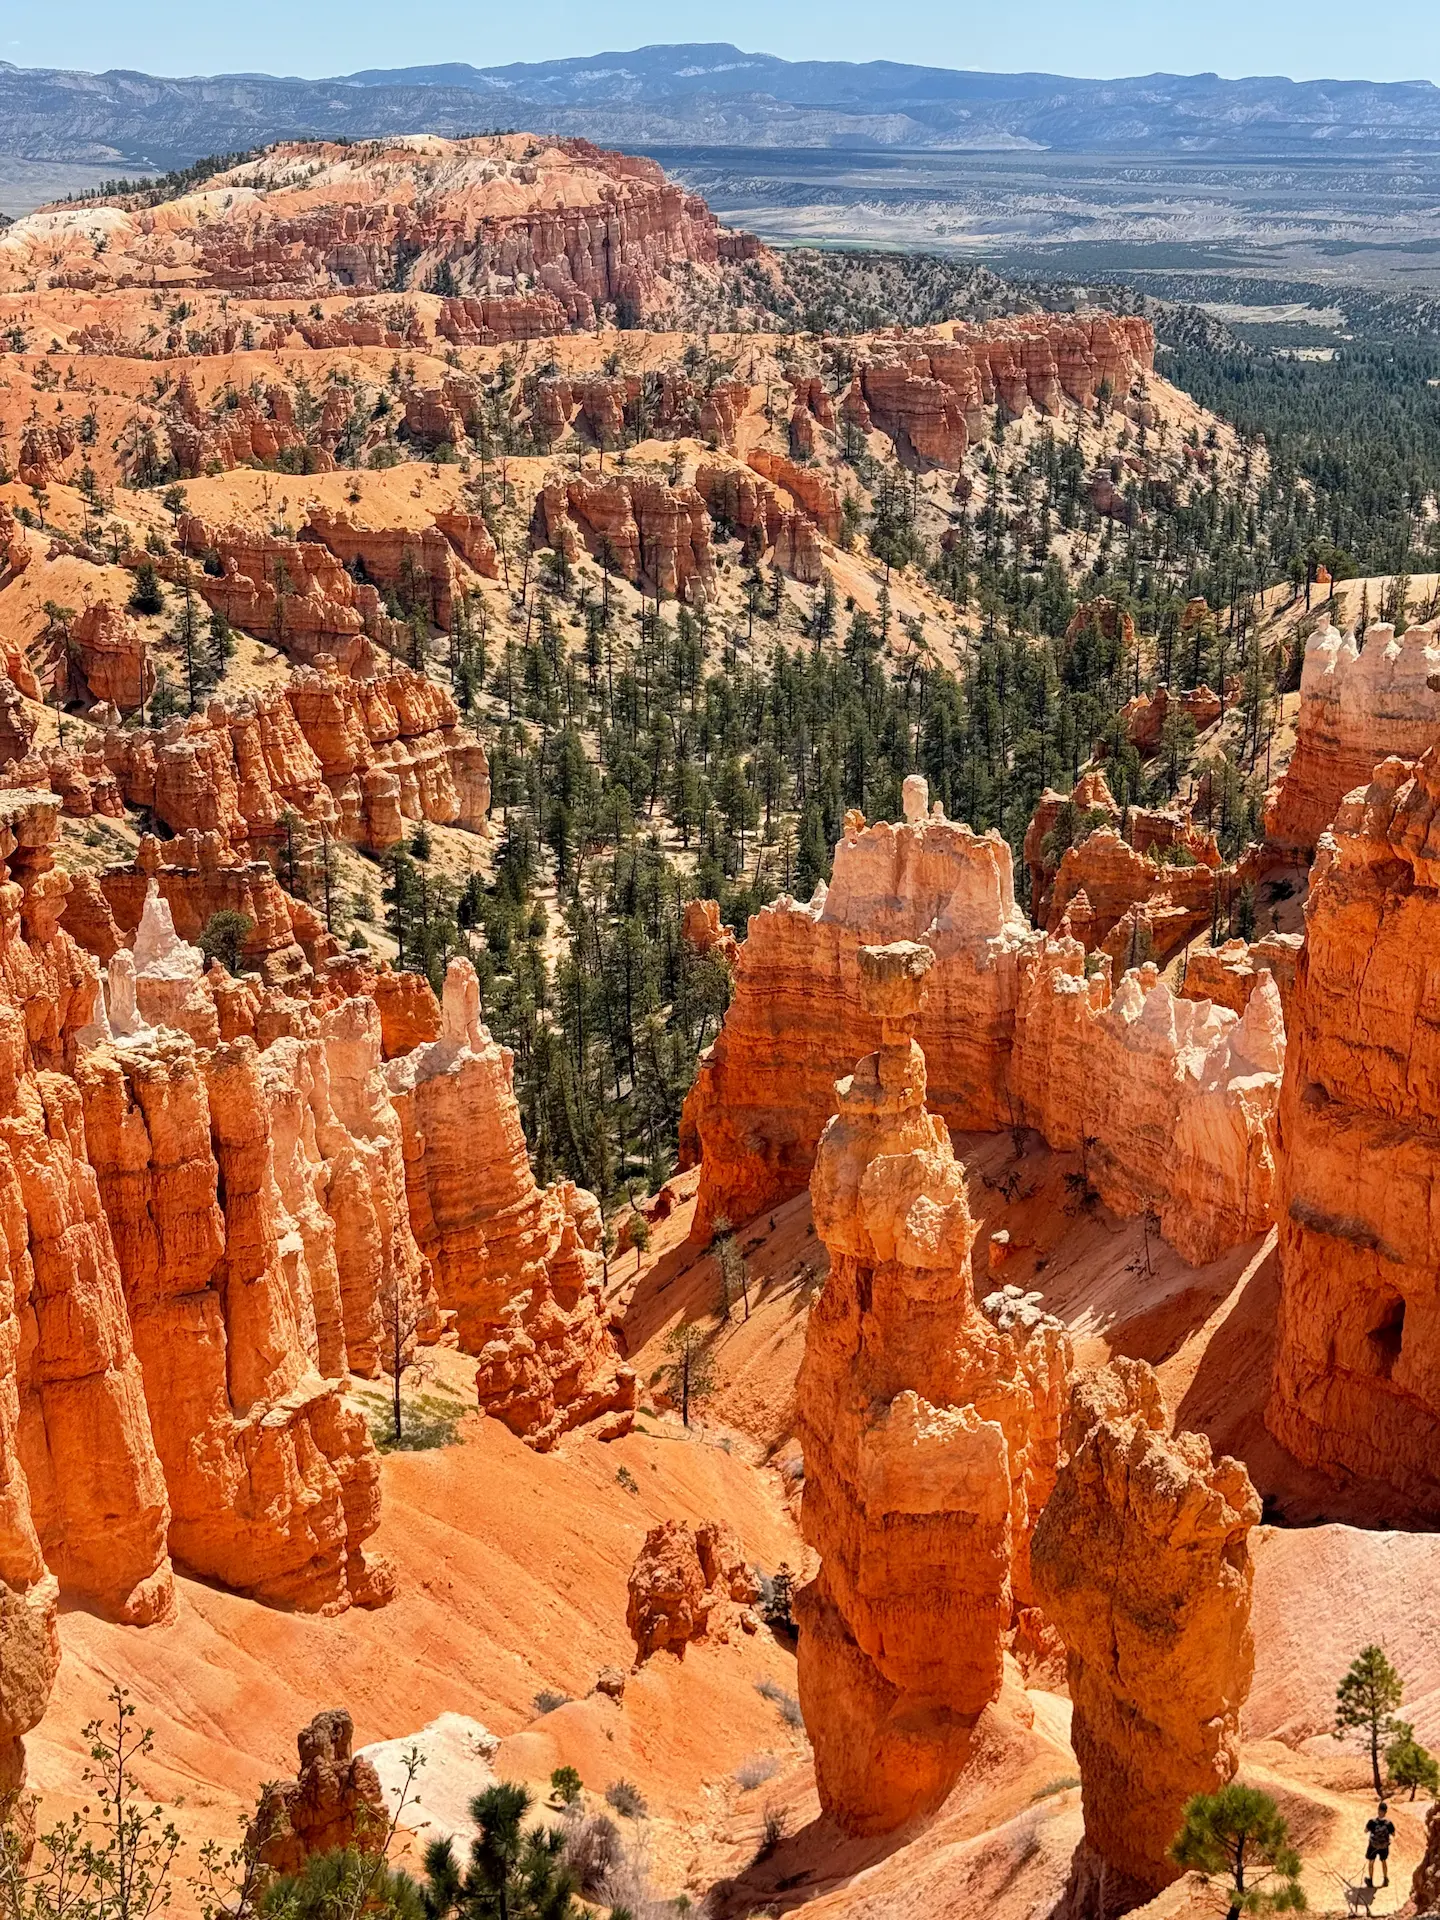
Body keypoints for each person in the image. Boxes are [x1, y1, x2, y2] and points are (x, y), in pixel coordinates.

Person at [1366, 1801, 1397, 1887]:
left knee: (1371, 1862)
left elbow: (1365, 1831)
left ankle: (1370, 1881)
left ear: (1378, 1810)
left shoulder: (1372, 1822)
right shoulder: (1389, 1823)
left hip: (1373, 1846)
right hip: (1384, 1846)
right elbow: (1394, 1834)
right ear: (1386, 1812)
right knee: (1384, 1861)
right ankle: (1385, 1879)